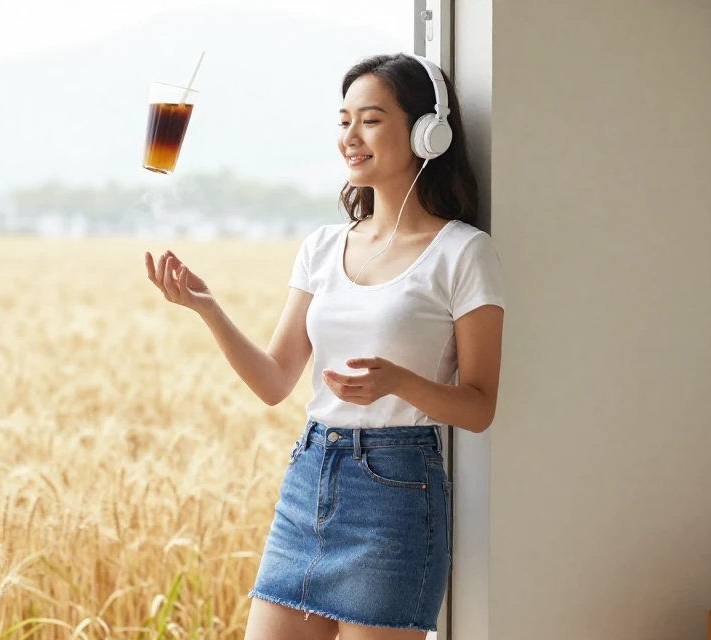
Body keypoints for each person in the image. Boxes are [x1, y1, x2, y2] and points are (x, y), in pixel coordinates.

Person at [143, 52, 504, 640]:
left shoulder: (464, 253)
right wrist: (207, 308)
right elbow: (274, 381)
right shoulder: (321, 246)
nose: (350, 137)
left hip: (397, 493)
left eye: (370, 119)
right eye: (343, 121)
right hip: (310, 477)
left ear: (426, 134)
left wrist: (399, 383)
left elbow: (481, 406)